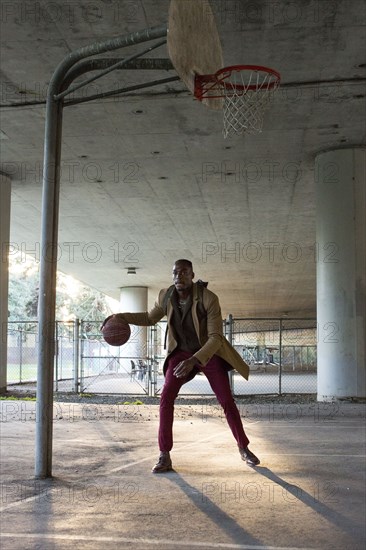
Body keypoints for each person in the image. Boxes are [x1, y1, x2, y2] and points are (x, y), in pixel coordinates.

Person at [102, 259, 259, 472]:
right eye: (175, 273)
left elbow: (216, 338)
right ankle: (164, 455)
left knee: (226, 400)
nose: (179, 277)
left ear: (192, 276)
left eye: (184, 273)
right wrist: (119, 316)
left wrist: (194, 360)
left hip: (206, 351)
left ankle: (243, 447)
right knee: (166, 397)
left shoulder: (208, 298)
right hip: (180, 352)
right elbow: (149, 318)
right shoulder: (166, 296)